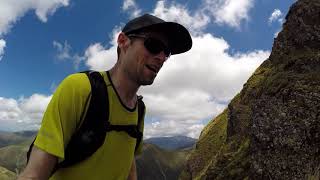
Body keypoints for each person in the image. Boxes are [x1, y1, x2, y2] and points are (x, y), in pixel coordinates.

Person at [18, 13, 192, 180]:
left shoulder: (139, 109)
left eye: (166, 52)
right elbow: (34, 174)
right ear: (123, 41)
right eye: (153, 45)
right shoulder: (79, 88)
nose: (161, 57)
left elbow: (128, 161)